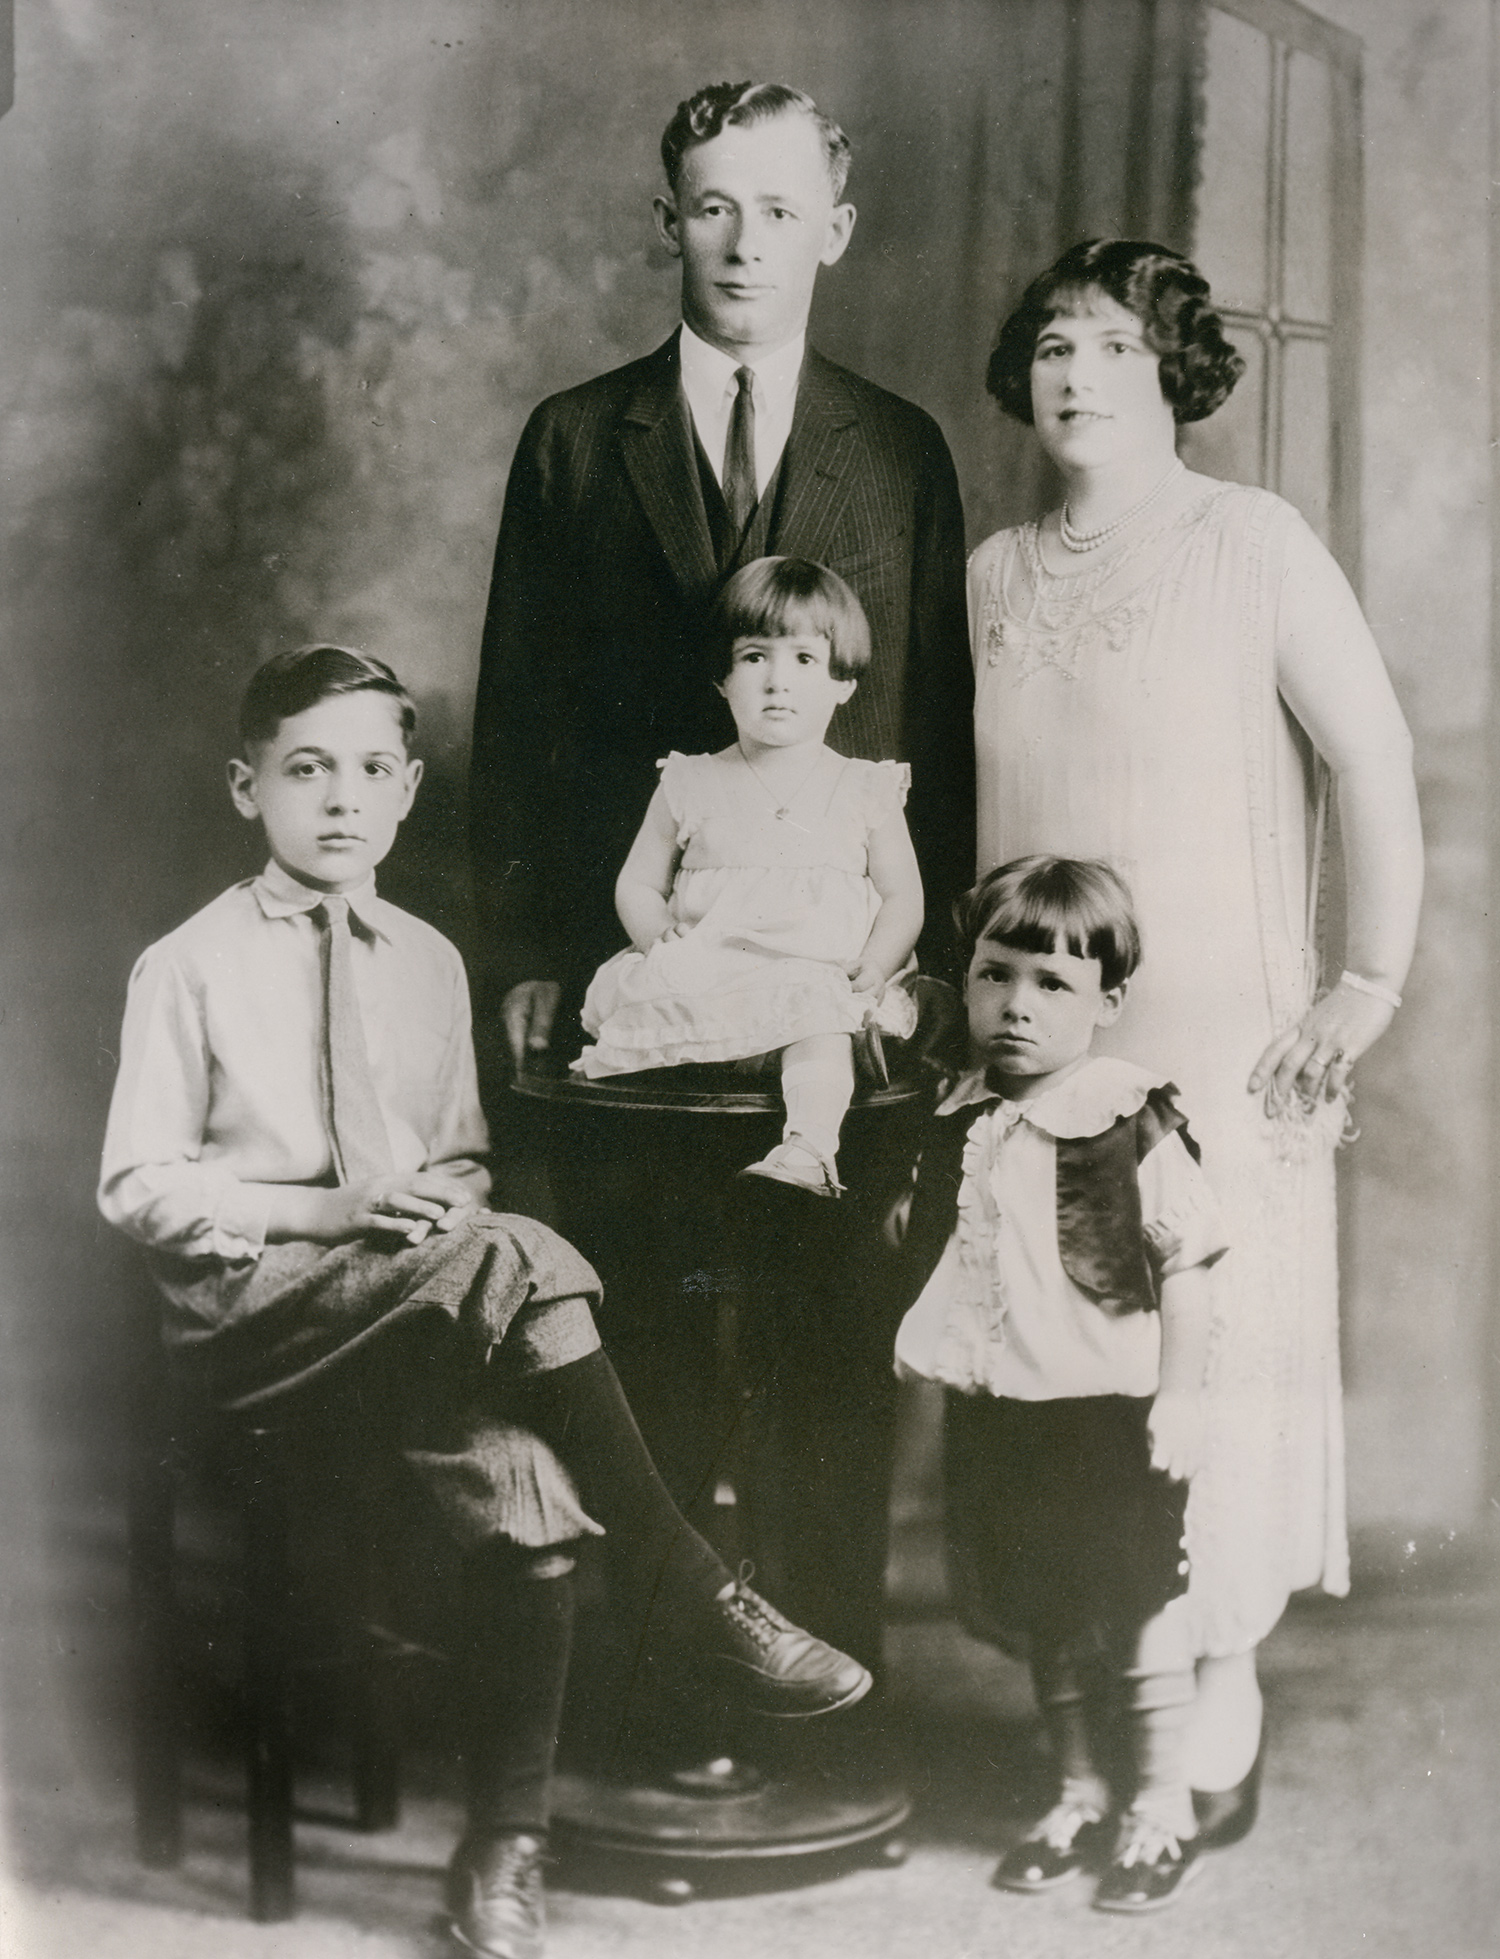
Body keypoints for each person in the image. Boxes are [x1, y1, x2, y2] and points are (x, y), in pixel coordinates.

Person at [96, 645, 871, 1959]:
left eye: (369, 771)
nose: (339, 798)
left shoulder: (428, 962)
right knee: (517, 1251)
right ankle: (690, 1589)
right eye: (304, 769)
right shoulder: (189, 963)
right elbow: (139, 1183)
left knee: (530, 1483)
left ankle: (501, 1853)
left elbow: (458, 1161)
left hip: (412, 1309)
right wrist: (328, 1211)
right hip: (252, 1316)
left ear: (405, 793)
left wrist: (430, 1216)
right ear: (246, 786)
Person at [971, 239, 1424, 1839]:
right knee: (1063, 1366)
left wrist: (1362, 983)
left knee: (1214, 1359)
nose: (1074, 374)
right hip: (1045, 1036)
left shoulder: (1253, 542)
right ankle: (1100, 1706)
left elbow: (1369, 761)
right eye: (1048, 345)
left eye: (1106, 343)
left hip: (1220, 1037)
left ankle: (1221, 1670)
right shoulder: (991, 572)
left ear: (1173, 368)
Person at [469, 79, 972, 1071]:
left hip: (838, 996)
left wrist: (930, 966)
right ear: (670, 222)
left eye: (781, 212)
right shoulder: (571, 440)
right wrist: (523, 954)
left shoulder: (901, 451)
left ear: (835, 230)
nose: (747, 245)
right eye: (715, 209)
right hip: (625, 974)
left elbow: (938, 733)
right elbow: (519, 722)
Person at [892, 857, 1228, 1911]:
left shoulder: (1128, 1114)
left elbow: (1191, 1268)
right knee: (1043, 1604)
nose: (1017, 1009)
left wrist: (1179, 1397)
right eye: (996, 977)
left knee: (1133, 1603)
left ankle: (1160, 1805)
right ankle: (1078, 1788)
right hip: (1006, 1405)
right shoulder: (960, 1112)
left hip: (1111, 1410)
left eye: (1053, 986)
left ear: (1107, 1003)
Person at [574, 557, 924, 1198]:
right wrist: (658, 941)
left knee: (818, 1014)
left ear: (843, 682)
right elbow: (638, 883)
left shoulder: (863, 787)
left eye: (804, 661)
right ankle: (668, 1178)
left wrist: (877, 964)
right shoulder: (691, 779)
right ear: (722, 678)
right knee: (665, 1002)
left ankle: (809, 1151)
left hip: (813, 969)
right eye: (755, 657)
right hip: (714, 964)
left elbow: (903, 896)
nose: (777, 683)